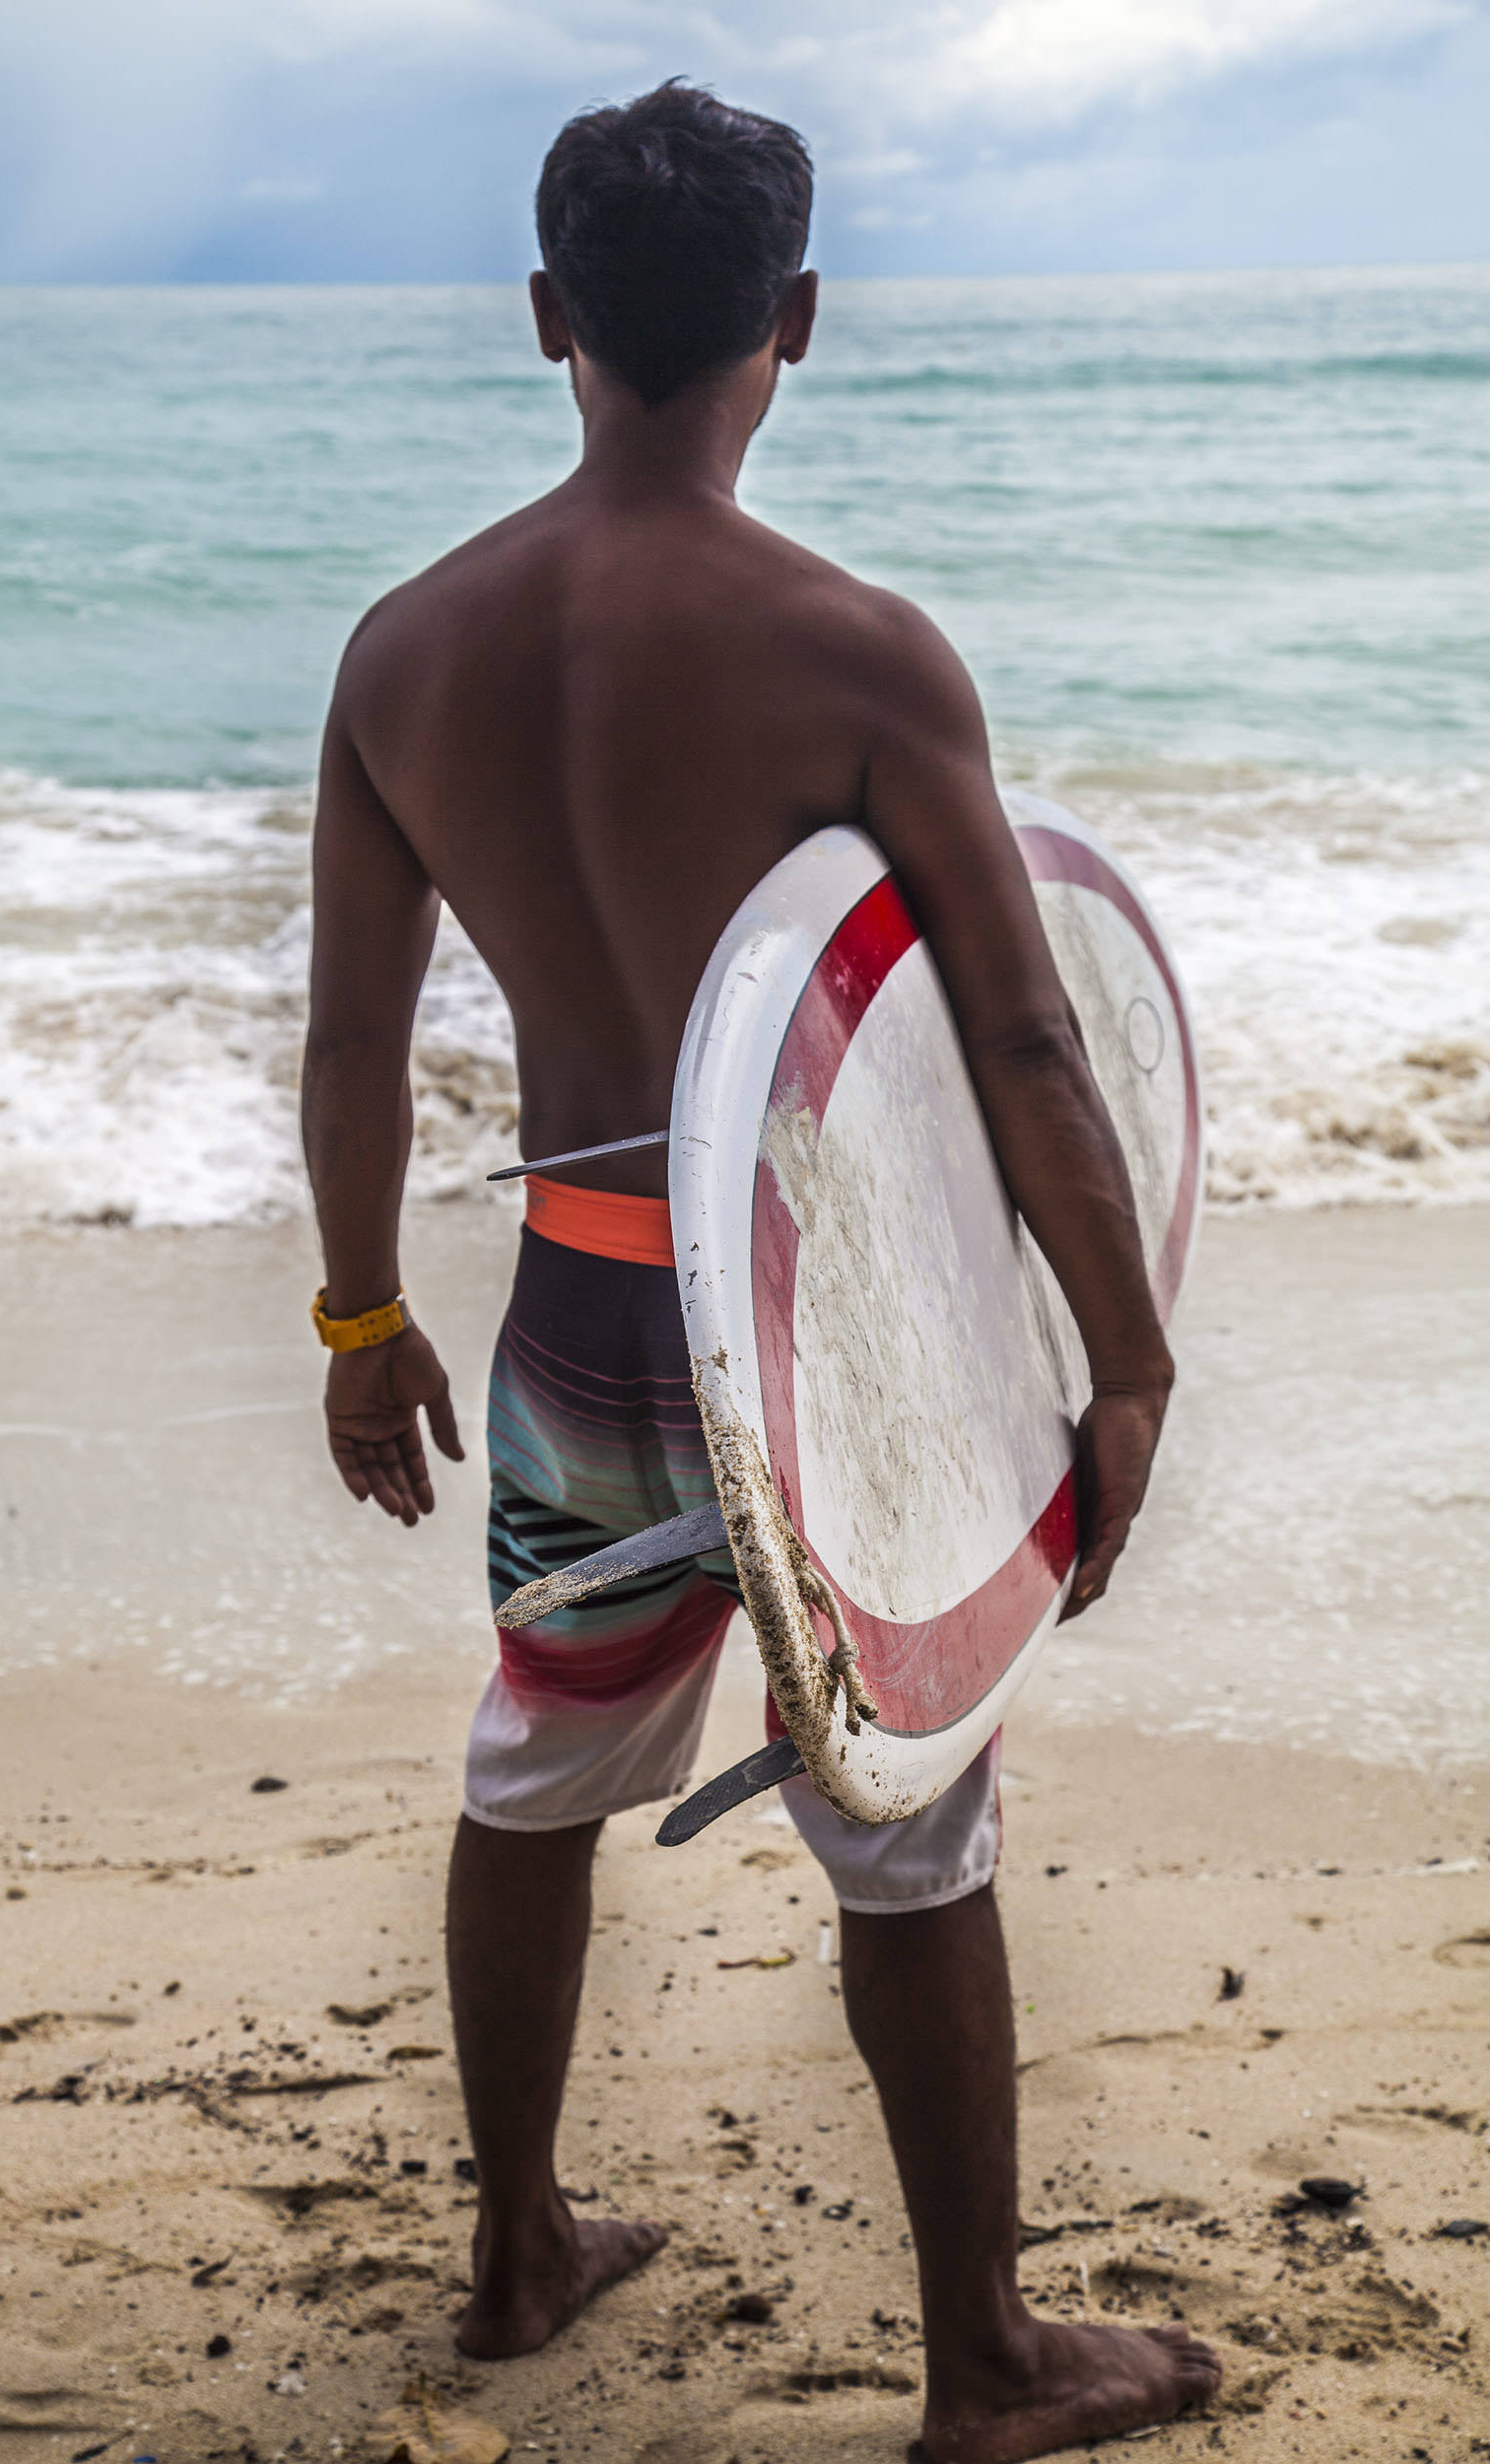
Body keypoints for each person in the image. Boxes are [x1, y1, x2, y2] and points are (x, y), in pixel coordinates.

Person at [302, 80, 1221, 2462]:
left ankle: (513, 2246)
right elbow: (1020, 1034)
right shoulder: (859, 651)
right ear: (795, 322)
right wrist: (1124, 1357)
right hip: (818, 1330)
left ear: (544, 320)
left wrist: (355, 1315)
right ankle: (986, 2365)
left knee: (534, 1764)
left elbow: (356, 1043)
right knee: (908, 1809)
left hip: (581, 1306)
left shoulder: (403, 653)